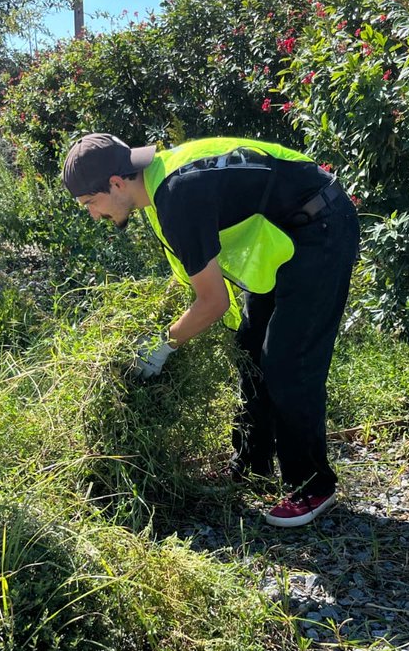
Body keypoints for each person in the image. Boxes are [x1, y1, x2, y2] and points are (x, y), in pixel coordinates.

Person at [63, 133, 359, 527]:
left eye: (90, 202)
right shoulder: (157, 185)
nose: (93, 215)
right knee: (250, 349)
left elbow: (213, 303)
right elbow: (196, 269)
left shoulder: (177, 194)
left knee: (288, 362)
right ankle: (251, 465)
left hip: (321, 225)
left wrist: (163, 345)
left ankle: (313, 486)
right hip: (284, 232)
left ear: (116, 183)